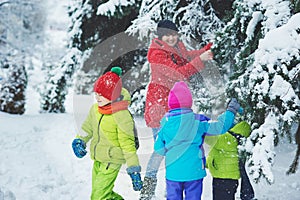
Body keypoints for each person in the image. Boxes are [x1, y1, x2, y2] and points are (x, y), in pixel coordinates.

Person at [141, 19, 213, 199]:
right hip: (159, 106)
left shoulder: (176, 47)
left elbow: (188, 56)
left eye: (174, 34)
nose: (171, 38)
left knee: (178, 149)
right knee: (161, 150)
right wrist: (200, 60)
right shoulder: (157, 54)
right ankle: (148, 188)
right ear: (160, 36)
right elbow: (179, 73)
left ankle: (172, 187)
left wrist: (206, 49)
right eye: (167, 34)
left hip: (175, 107)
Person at [153, 81, 242, 200]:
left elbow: (158, 148)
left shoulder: (165, 124)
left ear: (170, 103)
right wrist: (230, 111)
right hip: (194, 171)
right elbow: (220, 127)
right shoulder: (198, 122)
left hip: (173, 173)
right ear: (189, 103)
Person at [71, 67, 143, 200]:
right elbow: (87, 128)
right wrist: (80, 140)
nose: (97, 97)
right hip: (98, 158)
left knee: (98, 196)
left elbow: (128, 145)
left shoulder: (121, 115)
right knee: (103, 194)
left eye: (102, 94)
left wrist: (134, 170)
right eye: (96, 93)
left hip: (112, 159)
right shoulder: (96, 110)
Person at [205, 121, 254, 200]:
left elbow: (209, 138)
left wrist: (199, 127)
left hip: (222, 178)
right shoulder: (240, 140)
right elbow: (223, 156)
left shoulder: (228, 138)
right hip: (231, 178)